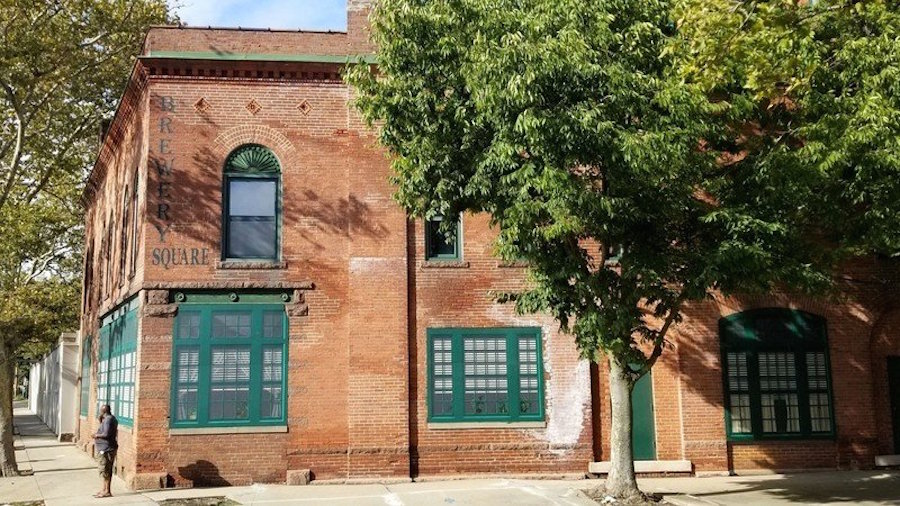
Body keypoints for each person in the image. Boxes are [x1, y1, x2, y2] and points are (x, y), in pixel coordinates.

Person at [93, 404, 118, 498]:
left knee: (105, 469)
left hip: (106, 449)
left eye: (101, 411)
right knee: (105, 470)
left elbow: (106, 434)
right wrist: (100, 420)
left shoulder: (108, 420)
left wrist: (96, 435)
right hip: (107, 448)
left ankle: (107, 491)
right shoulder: (110, 419)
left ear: (103, 411)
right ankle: (104, 489)